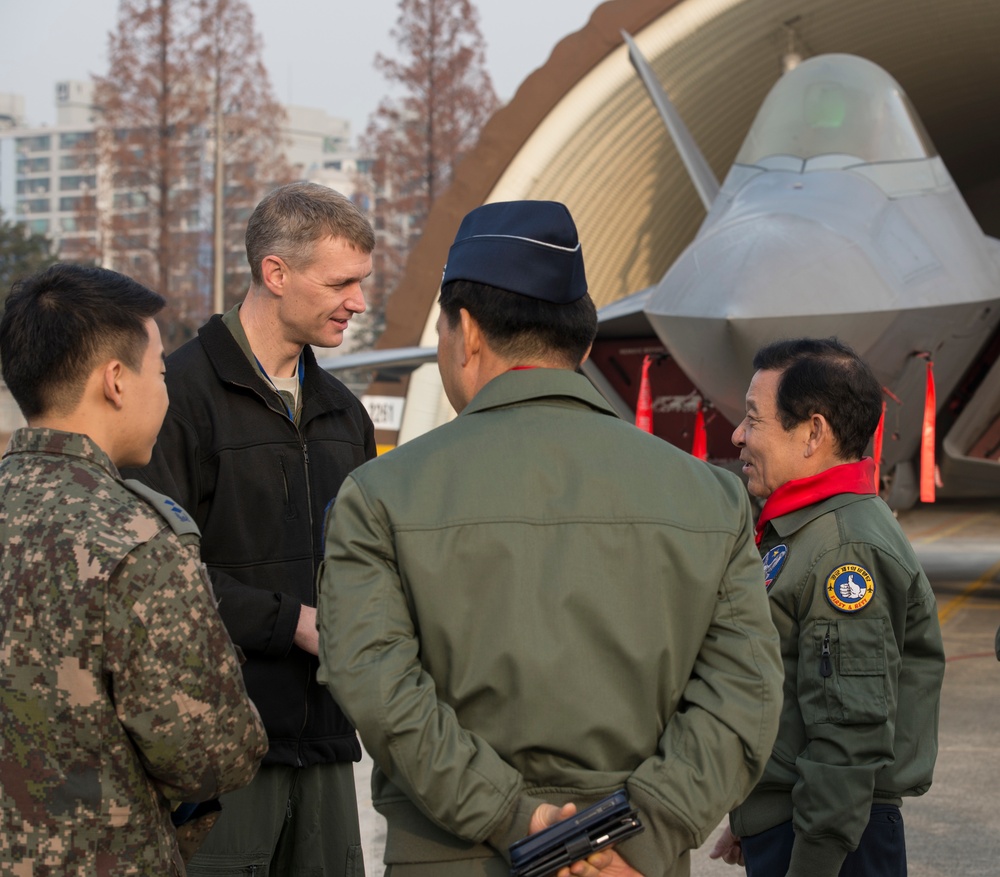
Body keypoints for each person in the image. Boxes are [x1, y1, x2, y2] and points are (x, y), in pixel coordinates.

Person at [316, 200, 784, 877]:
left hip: (454, 855)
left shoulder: (381, 496)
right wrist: (642, 834)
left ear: (466, 331)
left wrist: (519, 820)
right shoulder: (709, 497)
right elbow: (746, 692)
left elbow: (380, 690)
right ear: (584, 342)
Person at [123, 182, 377, 875]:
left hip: (326, 747)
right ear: (275, 273)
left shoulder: (344, 414)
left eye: (362, 281)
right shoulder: (175, 398)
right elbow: (155, 574)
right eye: (341, 282)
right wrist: (291, 621)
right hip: (220, 756)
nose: (358, 301)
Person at [0, 264, 267, 876]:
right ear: (116, 381)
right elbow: (213, 754)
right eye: (163, 373)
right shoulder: (136, 539)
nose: (166, 393)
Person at [709, 337, 946, 877]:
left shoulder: (844, 549)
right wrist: (756, 816)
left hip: (833, 842)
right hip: (802, 823)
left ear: (814, 432)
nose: (738, 434)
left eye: (753, 419)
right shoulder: (809, 532)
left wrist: (811, 855)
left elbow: (848, 734)